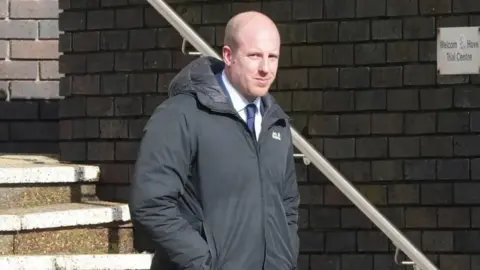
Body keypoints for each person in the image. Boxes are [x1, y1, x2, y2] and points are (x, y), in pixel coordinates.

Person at [129, 11, 300, 270]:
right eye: (254, 55)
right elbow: (151, 204)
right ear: (228, 55)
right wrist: (204, 262)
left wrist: (285, 257)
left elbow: (287, 205)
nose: (265, 68)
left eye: (272, 57)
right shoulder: (181, 115)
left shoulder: (276, 124)